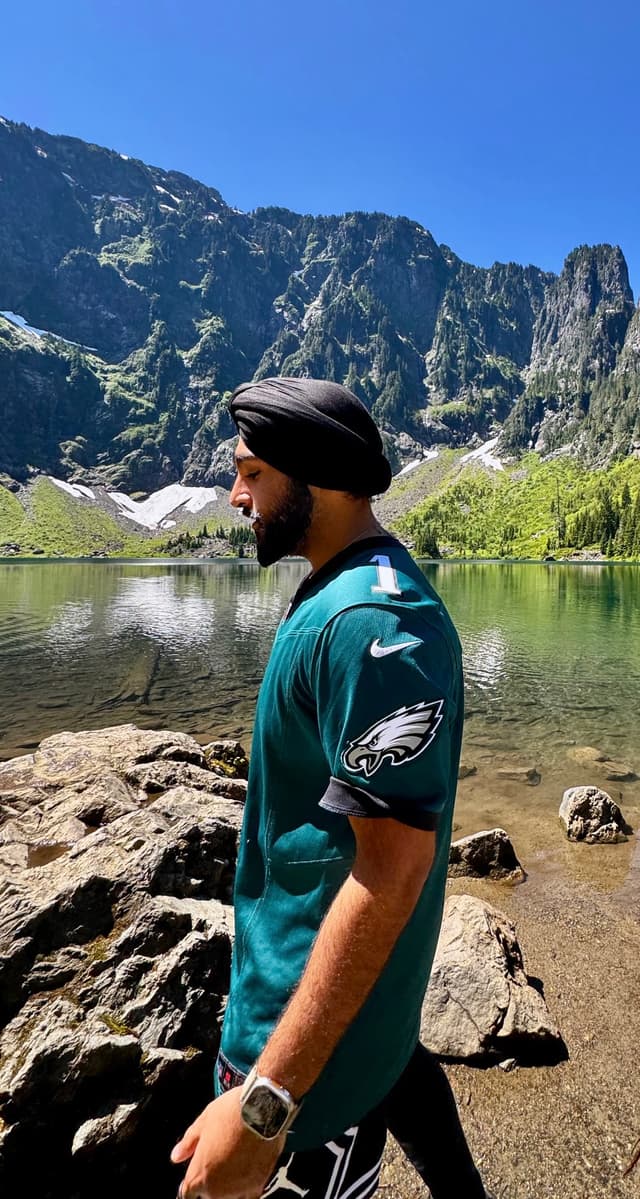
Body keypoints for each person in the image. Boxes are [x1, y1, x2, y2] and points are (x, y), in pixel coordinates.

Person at [171, 378, 486, 1199]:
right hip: (317, 1041)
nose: (237, 496)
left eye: (254, 473)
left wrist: (266, 1102)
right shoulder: (347, 593)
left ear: (316, 471)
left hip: (302, 1080)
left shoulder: (375, 627)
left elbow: (390, 873)